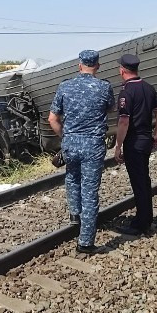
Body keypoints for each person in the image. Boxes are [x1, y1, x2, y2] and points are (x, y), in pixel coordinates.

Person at [48, 50, 115, 254]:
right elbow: (111, 109)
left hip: (71, 143)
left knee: (72, 177)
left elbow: (53, 119)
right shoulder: (104, 87)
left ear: (79, 65)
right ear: (97, 66)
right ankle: (85, 242)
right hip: (93, 145)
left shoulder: (65, 86)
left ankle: (75, 215)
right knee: (90, 190)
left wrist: (65, 137)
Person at [113, 54, 157, 236]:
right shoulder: (148, 87)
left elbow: (123, 122)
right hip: (145, 141)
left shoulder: (126, 92)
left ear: (122, 70)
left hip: (133, 142)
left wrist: (118, 145)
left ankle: (140, 223)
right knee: (144, 179)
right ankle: (146, 217)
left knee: (139, 182)